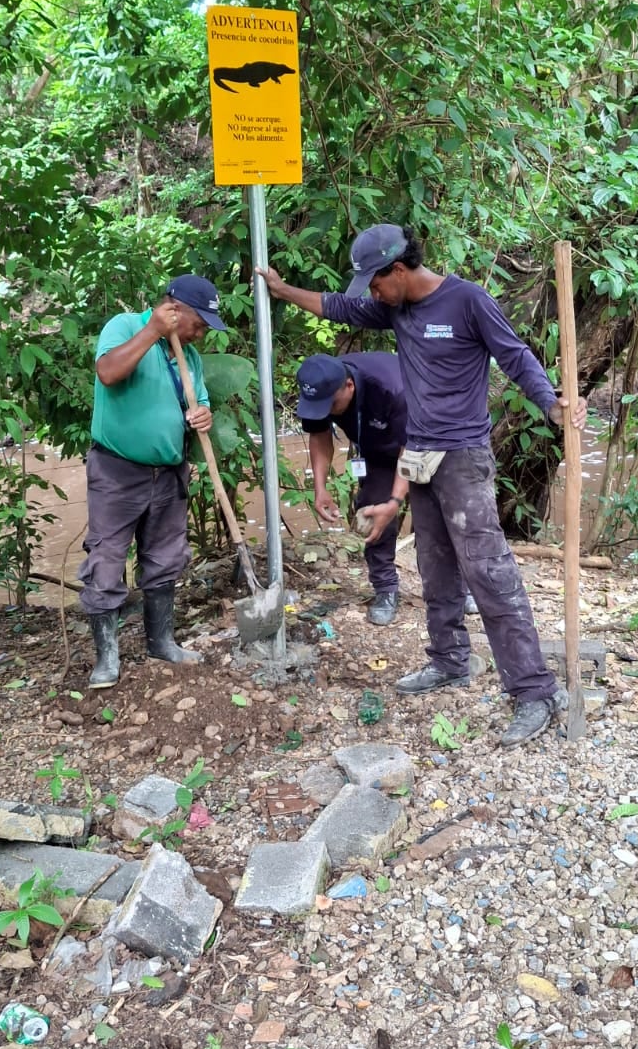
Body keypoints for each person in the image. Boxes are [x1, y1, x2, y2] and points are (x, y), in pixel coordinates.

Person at [259, 224, 586, 746]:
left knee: (488, 569)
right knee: (433, 565)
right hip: (419, 455)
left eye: (376, 282)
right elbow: (336, 307)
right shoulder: (395, 308)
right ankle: (450, 659)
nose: (372, 293)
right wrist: (281, 291)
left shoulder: (467, 301)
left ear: (399, 270)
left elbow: (515, 356)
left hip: (463, 456)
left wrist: (552, 404)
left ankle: (534, 690)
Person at [78, 275, 227, 688]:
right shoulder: (125, 326)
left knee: (164, 558)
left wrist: (203, 416)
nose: (200, 334)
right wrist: (152, 332)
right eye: (199, 324)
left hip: (168, 474)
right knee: (107, 558)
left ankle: (161, 642)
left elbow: (200, 403)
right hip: (117, 471)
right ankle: (107, 659)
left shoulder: (189, 357)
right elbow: (108, 372)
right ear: (175, 310)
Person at [297, 352, 408, 625]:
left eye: (331, 406)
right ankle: (385, 588)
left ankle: (458, 587)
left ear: (349, 386)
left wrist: (395, 502)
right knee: (371, 509)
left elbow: (412, 450)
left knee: (439, 514)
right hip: (376, 450)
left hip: (426, 443)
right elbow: (319, 434)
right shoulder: (322, 386)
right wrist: (320, 488)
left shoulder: (392, 388)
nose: (326, 412)